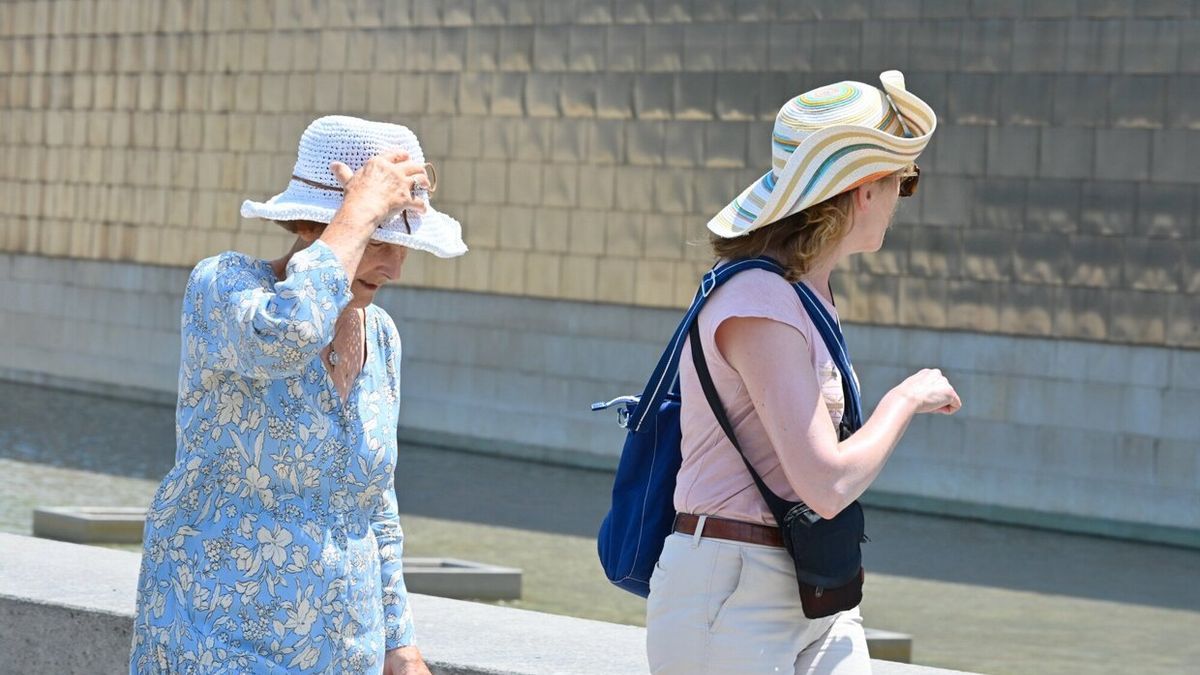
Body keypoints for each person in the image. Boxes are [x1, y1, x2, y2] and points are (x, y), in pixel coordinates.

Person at [645, 72, 962, 674]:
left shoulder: (803, 294)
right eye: (904, 180)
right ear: (865, 188)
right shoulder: (760, 299)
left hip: (810, 584)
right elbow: (824, 482)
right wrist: (905, 398)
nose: (904, 195)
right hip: (733, 590)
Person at [130, 116, 467, 674]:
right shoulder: (225, 288)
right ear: (315, 228)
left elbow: (374, 504)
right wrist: (358, 210)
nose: (396, 267)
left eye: (405, 245)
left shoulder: (380, 338)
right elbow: (287, 335)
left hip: (343, 654)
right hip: (214, 646)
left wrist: (398, 644)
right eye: (381, 239)